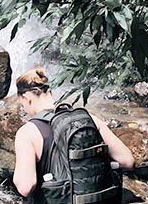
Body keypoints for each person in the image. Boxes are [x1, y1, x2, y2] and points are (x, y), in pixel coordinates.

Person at [12, 67, 135, 201]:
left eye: (22, 105)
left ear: (26, 98)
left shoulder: (27, 133)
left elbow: (25, 187)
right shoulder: (89, 119)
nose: (24, 110)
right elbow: (128, 161)